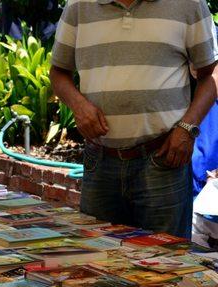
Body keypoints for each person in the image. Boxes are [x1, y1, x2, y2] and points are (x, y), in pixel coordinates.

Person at [50, 0, 218, 239]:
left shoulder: (188, 3)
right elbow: (58, 71)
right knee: (97, 265)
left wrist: (187, 128)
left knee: (166, 266)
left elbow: (211, 73)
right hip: (100, 160)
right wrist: (78, 105)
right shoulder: (79, 5)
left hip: (163, 161)